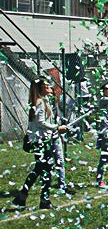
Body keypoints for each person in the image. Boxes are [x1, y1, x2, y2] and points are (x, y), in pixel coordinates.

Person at [12, 77, 69, 209]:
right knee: (46, 170)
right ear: (40, 88)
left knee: (39, 169)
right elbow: (41, 122)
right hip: (41, 142)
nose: (49, 87)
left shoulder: (42, 101)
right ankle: (44, 200)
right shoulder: (39, 102)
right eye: (46, 85)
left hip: (42, 140)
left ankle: (22, 197)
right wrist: (57, 128)